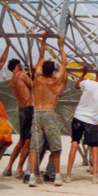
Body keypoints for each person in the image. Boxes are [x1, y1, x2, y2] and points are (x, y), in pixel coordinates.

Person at [28, 32, 68, 187]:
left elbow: (40, 58)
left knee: (34, 147)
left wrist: (43, 40)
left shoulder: (37, 78)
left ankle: (32, 176)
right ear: (52, 70)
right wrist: (60, 46)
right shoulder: (54, 80)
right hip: (50, 114)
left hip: (37, 114)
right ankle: (57, 176)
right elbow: (64, 64)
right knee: (55, 147)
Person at [65, 66, 98, 183]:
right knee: (94, 148)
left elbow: (76, 85)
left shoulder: (88, 83)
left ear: (97, 74)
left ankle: (68, 175)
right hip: (92, 120)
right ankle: (95, 176)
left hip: (79, 116)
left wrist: (83, 74)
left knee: (74, 144)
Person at [2, 58, 33, 178]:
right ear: (18, 65)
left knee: (21, 140)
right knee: (28, 140)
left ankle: (9, 167)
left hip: (21, 109)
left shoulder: (11, 81)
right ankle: (19, 168)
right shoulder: (21, 75)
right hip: (29, 108)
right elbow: (33, 86)